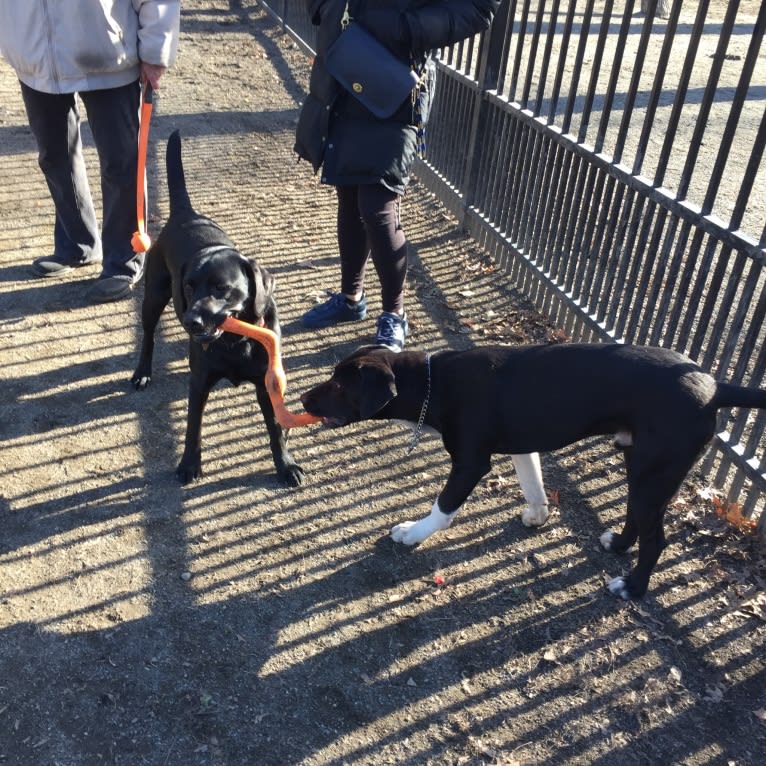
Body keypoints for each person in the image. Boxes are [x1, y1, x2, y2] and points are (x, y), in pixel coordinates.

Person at [295, 0, 499, 351]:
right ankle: (351, 297)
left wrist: (404, 28)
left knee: (376, 205)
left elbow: (478, 8)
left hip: (396, 78)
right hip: (343, 63)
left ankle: (394, 314)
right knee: (347, 190)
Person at [0, 1, 181, 303]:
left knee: (121, 163)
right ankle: (78, 244)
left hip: (107, 51)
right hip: (32, 53)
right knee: (54, 157)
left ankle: (124, 263)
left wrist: (155, 49)